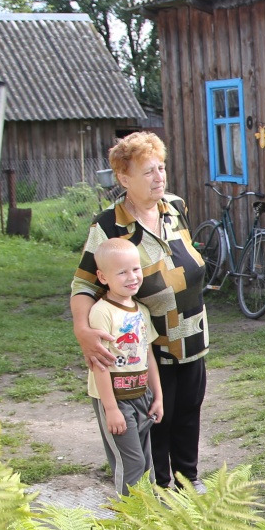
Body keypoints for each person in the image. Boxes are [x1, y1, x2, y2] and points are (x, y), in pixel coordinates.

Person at [72, 132, 209, 491]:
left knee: (189, 411)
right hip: (147, 343)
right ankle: (161, 486)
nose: (159, 178)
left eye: (161, 168)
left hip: (191, 334)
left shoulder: (175, 207)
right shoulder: (109, 224)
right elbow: (84, 284)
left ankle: (188, 479)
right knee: (157, 418)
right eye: (148, 171)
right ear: (124, 178)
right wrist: (83, 330)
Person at [84, 238, 164, 494]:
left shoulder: (141, 310)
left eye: (136, 269)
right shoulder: (102, 312)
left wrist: (158, 397)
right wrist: (111, 409)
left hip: (141, 395)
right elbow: (100, 365)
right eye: (122, 272)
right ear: (103, 277)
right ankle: (128, 519)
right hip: (116, 399)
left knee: (146, 462)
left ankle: (149, 516)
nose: (132, 277)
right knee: (131, 463)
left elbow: (148, 355)